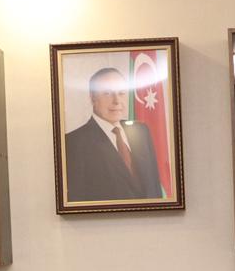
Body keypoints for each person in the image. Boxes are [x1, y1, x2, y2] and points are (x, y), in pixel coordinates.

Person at [63, 66, 163, 202]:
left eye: (121, 93)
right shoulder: (73, 143)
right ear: (93, 97)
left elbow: (155, 186)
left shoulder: (141, 131)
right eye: (108, 93)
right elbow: (77, 201)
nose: (117, 101)